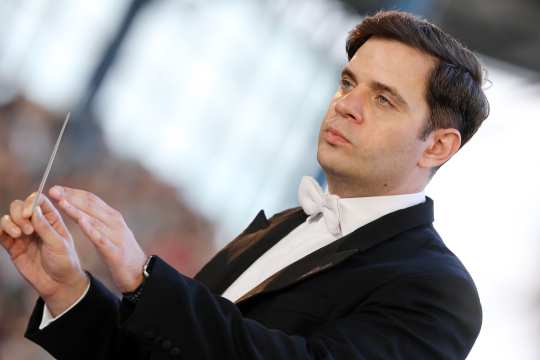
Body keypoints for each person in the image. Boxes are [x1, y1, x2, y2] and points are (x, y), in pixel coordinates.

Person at [0, 10, 489, 359]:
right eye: (347, 83)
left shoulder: (440, 291)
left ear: (437, 147)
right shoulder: (275, 228)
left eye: (383, 100)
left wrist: (144, 279)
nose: (346, 104)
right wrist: (68, 290)